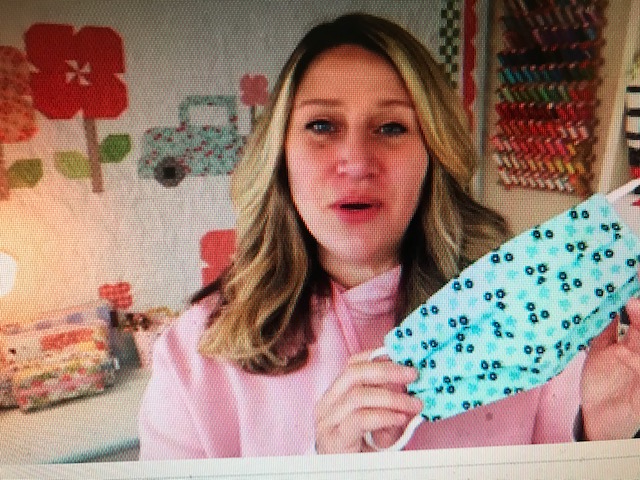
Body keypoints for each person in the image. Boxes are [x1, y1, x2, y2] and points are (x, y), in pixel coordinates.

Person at [138, 13, 640, 459]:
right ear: (281, 156)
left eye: (392, 128)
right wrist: (319, 467)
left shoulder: (527, 313)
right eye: (321, 125)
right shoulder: (193, 359)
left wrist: (601, 437)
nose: (357, 162)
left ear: (432, 155)